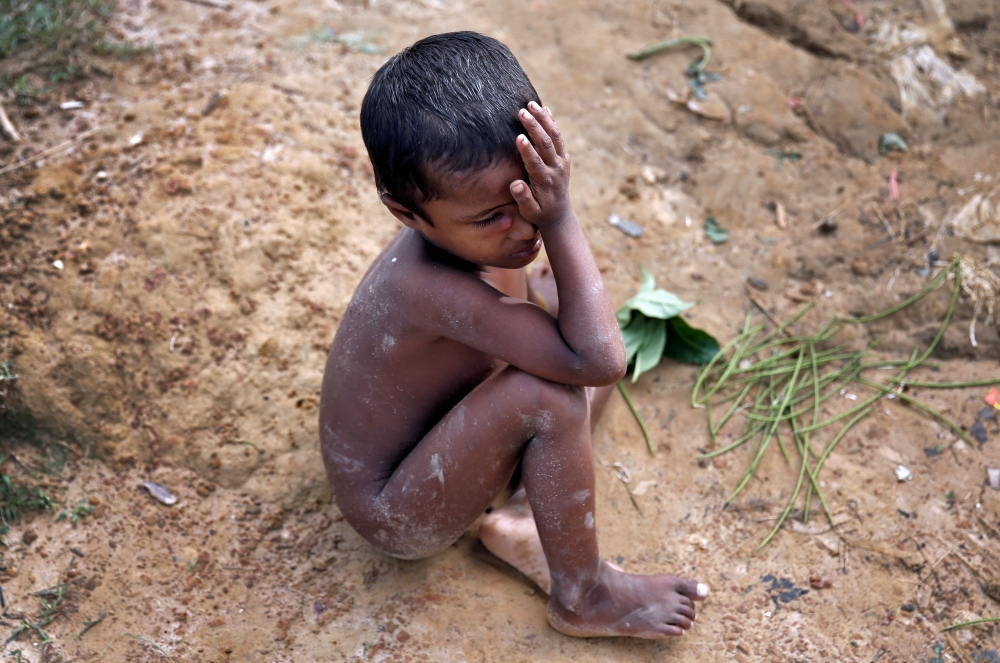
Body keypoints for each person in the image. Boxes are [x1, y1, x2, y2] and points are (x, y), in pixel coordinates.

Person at [319, 31, 708, 639]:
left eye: (531, 195)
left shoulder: (473, 222)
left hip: (448, 441)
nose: (523, 225)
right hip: (399, 507)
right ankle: (583, 595)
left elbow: (588, 342)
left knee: (562, 307)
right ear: (406, 212)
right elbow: (602, 358)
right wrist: (561, 215)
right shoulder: (429, 286)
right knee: (552, 387)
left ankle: (526, 517)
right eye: (493, 216)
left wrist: (539, 218)